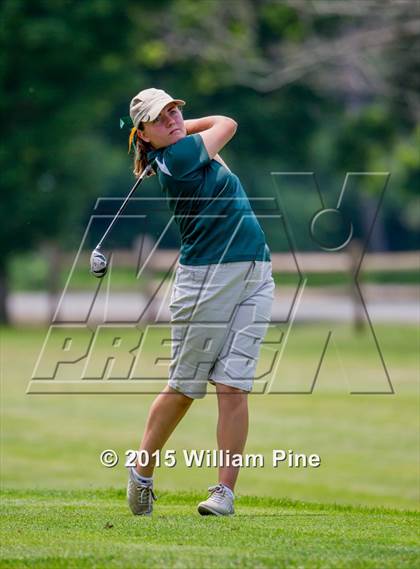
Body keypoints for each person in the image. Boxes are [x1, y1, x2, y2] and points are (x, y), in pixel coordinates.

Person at [126, 88, 274, 516]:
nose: (173, 118)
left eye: (174, 110)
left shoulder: (176, 150)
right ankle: (142, 469)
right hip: (205, 280)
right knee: (185, 388)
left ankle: (223, 493)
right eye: (161, 116)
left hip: (255, 272)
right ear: (144, 134)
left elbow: (213, 128)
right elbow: (227, 122)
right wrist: (164, 138)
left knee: (234, 386)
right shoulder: (178, 160)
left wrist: (160, 133)